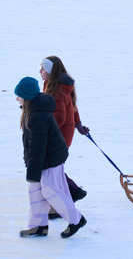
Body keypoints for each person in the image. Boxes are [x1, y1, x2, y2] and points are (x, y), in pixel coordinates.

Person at [13, 76, 86, 239]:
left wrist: (33, 171)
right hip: (42, 159)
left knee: (50, 190)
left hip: (51, 159)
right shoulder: (32, 112)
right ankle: (38, 226)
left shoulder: (37, 116)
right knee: (35, 191)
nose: (16, 98)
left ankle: (76, 219)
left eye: (18, 95)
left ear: (26, 97)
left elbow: (38, 147)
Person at [39, 57, 90, 207]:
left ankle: (70, 194)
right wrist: (78, 125)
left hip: (59, 137)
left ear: (50, 71)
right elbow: (73, 106)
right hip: (61, 135)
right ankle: (73, 192)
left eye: (43, 68)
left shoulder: (57, 91)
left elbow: (58, 118)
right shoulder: (53, 84)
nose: (40, 71)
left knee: (51, 169)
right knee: (54, 168)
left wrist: (40, 126)